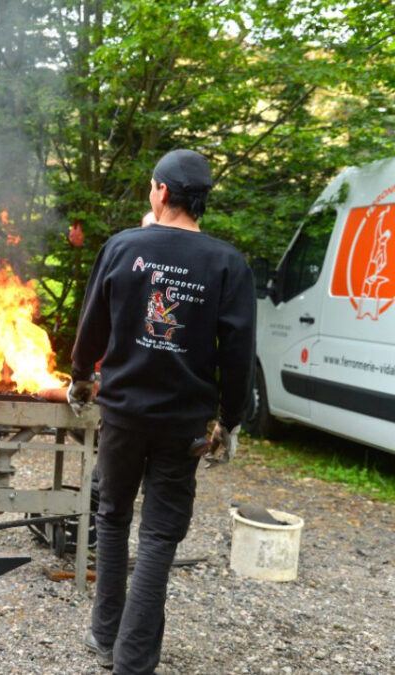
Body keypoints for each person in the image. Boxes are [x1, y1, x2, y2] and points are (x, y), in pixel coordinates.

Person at [67, 149, 255, 674]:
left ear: (161, 193)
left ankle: (107, 637)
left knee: (114, 515)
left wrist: (81, 378)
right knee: (157, 536)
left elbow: (92, 325)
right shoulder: (227, 264)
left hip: (123, 413)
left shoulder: (123, 247)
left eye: (152, 185)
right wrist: (231, 419)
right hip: (183, 423)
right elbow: (239, 351)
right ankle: (131, 659)